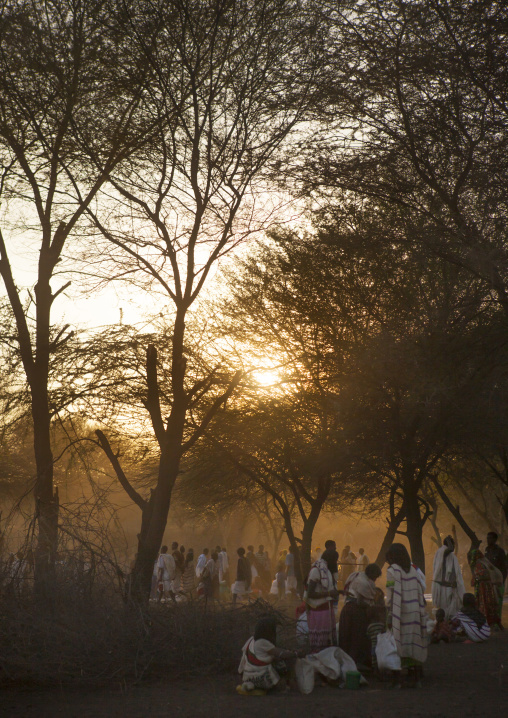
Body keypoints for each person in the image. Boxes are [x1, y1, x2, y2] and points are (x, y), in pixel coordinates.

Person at [385, 543, 427, 688]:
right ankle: (416, 679)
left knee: (396, 644)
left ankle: (397, 681)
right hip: (414, 612)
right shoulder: (414, 570)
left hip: (399, 614)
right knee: (412, 642)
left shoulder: (392, 571)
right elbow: (422, 588)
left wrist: (389, 614)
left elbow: (390, 595)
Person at [237, 616, 300, 694]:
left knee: (275, 659)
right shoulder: (262, 642)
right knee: (283, 662)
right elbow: (281, 654)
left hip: (248, 677)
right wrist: (296, 653)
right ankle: (284, 687)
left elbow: (242, 664)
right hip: (260, 678)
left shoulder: (251, 640)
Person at [338, 563, 383, 669]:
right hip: (356, 612)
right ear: (372, 574)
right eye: (375, 576)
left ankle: (347, 664)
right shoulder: (365, 583)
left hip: (347, 610)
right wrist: (373, 607)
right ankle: (353, 664)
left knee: (346, 637)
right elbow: (359, 602)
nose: (375, 579)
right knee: (356, 638)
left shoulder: (357, 575)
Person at [304, 548, 340, 652]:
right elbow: (310, 593)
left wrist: (339, 592)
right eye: (335, 561)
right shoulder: (317, 570)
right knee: (320, 643)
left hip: (326, 609)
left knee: (327, 641)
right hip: (318, 611)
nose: (336, 563)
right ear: (330, 560)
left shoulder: (326, 570)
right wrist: (329, 593)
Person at [468, 547, 503, 628]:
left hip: (483, 588)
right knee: (491, 604)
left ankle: (487, 623)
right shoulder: (485, 562)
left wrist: (476, 579)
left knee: (484, 604)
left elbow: (482, 576)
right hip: (488, 587)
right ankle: (496, 622)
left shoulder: (478, 564)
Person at [432, 536, 466, 619]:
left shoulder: (451, 556)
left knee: (454, 611)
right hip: (445, 586)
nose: (454, 546)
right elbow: (451, 548)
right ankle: (446, 625)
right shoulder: (443, 552)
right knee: (446, 609)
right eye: (453, 544)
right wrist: (447, 539)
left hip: (452, 586)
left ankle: (451, 625)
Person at [485, 531, 507, 625]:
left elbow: (504, 567)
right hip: (488, 581)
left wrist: (501, 581)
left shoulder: (500, 551)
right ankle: (491, 622)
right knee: (489, 602)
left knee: (498, 602)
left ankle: (498, 622)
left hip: (498, 581)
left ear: (495, 539)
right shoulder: (486, 550)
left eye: (490, 538)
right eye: (487, 538)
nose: (488, 540)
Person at [366, 603, 386, 675]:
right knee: (381, 660)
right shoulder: (381, 625)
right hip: (381, 646)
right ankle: (382, 674)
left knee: (374, 660)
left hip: (373, 646)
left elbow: (368, 636)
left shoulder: (370, 627)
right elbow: (384, 633)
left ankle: (375, 672)